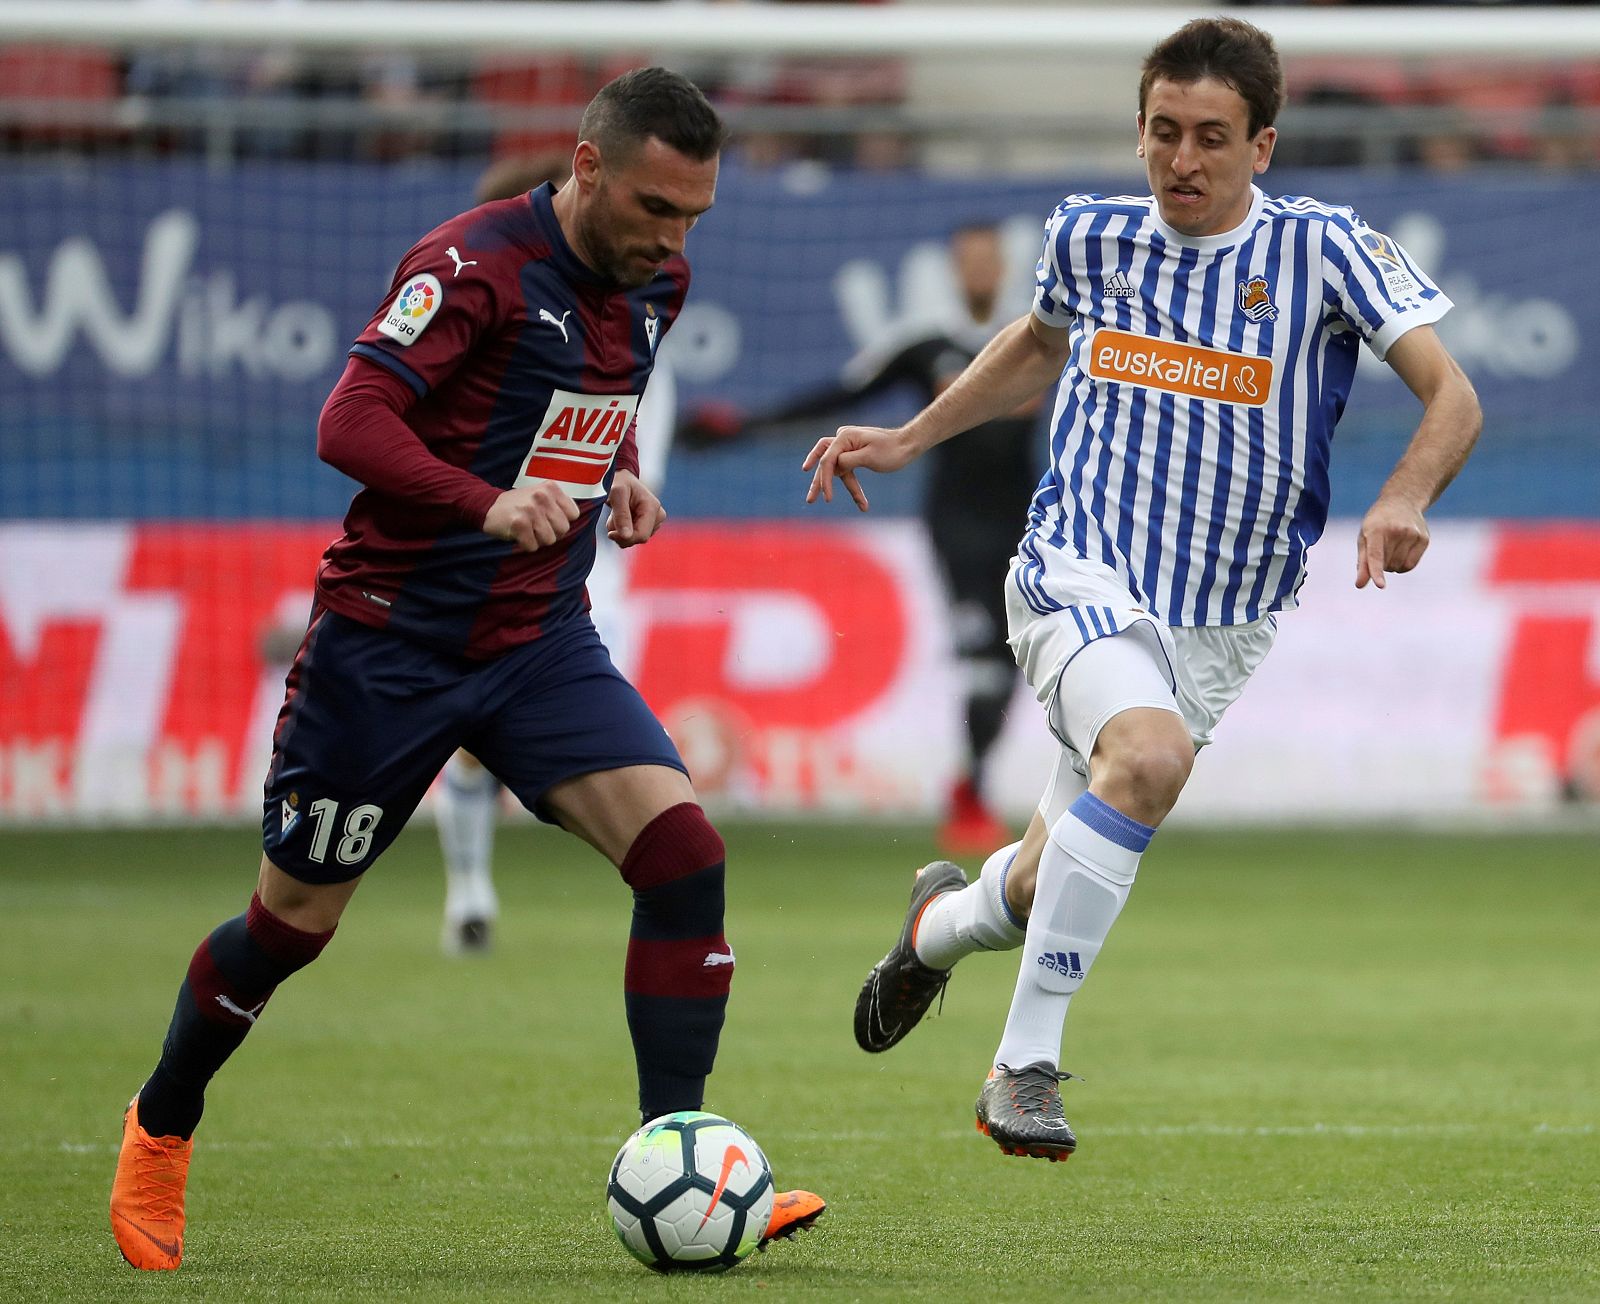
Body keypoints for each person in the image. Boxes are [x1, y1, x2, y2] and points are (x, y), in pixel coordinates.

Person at [110, 67, 824, 1271]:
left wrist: (620, 470)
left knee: (683, 855)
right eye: (655, 207)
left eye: (693, 215)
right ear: (587, 166)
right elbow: (347, 422)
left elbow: (592, 393)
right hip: (390, 645)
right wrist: (483, 501)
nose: (673, 238)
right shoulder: (471, 265)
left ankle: (685, 1160)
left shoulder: (659, 279)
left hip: (537, 639)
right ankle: (161, 1120)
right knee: (293, 923)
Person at [806, 18, 1480, 1161]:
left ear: (1261, 145)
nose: (1182, 159)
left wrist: (1404, 494)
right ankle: (1021, 1065)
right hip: (1076, 568)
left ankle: (935, 927)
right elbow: (1035, 344)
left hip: (1221, 620)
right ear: (1137, 131)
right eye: (1163, 131)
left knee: (1044, 875)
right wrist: (911, 436)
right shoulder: (1091, 236)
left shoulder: (1324, 249)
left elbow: (1452, 394)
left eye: (1211, 137)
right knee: (1151, 758)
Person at [684, 221, 1040, 857]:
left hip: (1025, 523)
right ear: (956, 270)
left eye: (990, 260)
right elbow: (847, 394)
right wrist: (744, 425)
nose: (981, 271)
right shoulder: (928, 348)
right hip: (956, 524)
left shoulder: (1034, 340)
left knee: (1011, 657)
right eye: (970, 260)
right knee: (981, 656)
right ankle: (971, 796)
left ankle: (974, 781)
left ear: (1003, 268)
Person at [435, 152, 680, 956]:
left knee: (601, 755)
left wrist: (628, 476)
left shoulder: (635, 311)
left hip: (591, 561)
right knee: (472, 731)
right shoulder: (473, 308)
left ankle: (671, 893)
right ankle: (470, 893)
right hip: (485, 548)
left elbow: (631, 416)